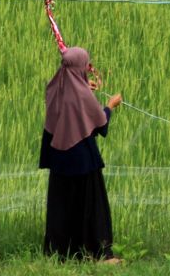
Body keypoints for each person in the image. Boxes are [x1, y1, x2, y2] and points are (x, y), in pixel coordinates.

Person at [39, 47, 122, 262]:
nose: (88, 67)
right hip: (83, 162)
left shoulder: (56, 88)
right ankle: (99, 253)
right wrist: (110, 106)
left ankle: (61, 253)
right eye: (86, 64)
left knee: (63, 207)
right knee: (92, 208)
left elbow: (68, 108)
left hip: (59, 162)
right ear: (79, 67)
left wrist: (84, 88)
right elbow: (100, 126)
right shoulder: (83, 96)